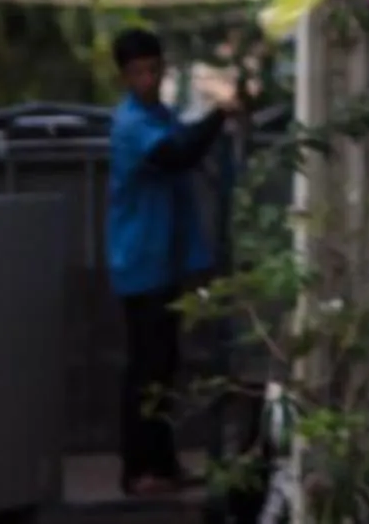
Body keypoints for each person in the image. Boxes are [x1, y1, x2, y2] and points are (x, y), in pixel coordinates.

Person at [108, 26, 236, 496]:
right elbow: (177, 153)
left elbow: (183, 142)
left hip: (161, 258)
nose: (148, 78)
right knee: (146, 369)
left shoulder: (156, 114)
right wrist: (220, 115)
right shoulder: (132, 124)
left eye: (153, 69)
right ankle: (137, 469)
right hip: (142, 261)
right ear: (124, 76)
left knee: (163, 366)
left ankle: (161, 465)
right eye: (138, 72)